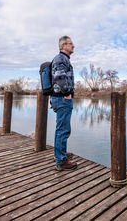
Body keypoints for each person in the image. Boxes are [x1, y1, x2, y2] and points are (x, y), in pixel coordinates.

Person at [51, 35, 77, 171]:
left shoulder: (62, 59)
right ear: (63, 46)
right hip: (62, 98)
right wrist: (67, 94)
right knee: (64, 129)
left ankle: (59, 154)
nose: (73, 46)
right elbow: (60, 78)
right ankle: (61, 161)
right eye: (70, 44)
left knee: (60, 128)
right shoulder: (61, 59)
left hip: (59, 98)